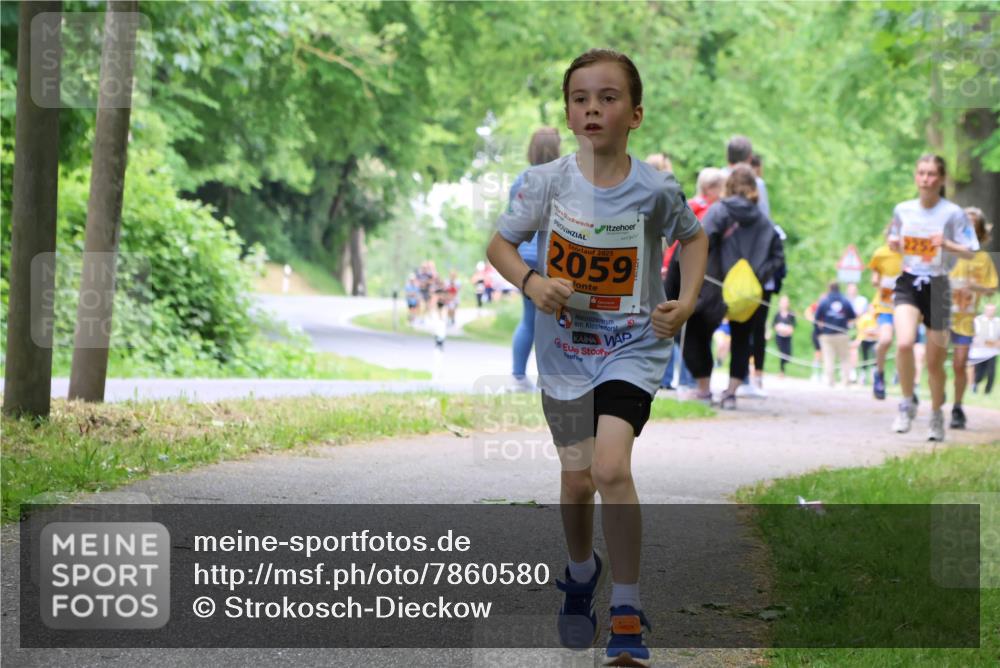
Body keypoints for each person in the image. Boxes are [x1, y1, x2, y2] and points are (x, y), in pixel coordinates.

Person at [486, 48, 708, 667]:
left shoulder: (656, 189)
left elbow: (694, 241)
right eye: (580, 99)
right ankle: (581, 571)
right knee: (578, 479)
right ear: (567, 111)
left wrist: (686, 301)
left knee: (611, 468)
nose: (592, 108)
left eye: (608, 98)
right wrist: (533, 284)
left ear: (634, 114)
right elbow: (500, 246)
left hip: (633, 346)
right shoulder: (545, 183)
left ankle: (628, 611)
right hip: (564, 353)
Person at [888, 154, 977, 441]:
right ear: (915, 177)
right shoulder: (903, 209)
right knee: (903, 343)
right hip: (909, 280)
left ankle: (937, 414)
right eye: (921, 173)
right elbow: (894, 240)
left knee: (934, 361)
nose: (925, 179)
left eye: (931, 174)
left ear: (941, 179)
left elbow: (971, 250)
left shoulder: (952, 213)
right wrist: (893, 243)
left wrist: (947, 243)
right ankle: (907, 402)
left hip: (938, 285)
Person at [701, 165, 784, 409]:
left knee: (702, 332)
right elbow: (778, 256)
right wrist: (757, 276)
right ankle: (731, 393)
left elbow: (701, 242)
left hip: (716, 285)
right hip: (748, 292)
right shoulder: (764, 221)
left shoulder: (718, 211)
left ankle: (702, 386)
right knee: (742, 337)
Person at [661, 167, 723, 392]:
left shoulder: (700, 206)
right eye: (720, 188)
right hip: (685, 267)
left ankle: (677, 378)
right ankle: (683, 378)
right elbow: (686, 239)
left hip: (685, 267)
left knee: (680, 320)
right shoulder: (703, 209)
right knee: (685, 322)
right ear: (710, 188)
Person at [510, 128, 563, 391]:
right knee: (555, 320)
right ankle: (551, 378)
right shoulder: (562, 180)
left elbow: (511, 223)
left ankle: (518, 376)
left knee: (529, 318)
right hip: (550, 256)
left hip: (522, 259)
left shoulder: (520, 180)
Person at [948, 207, 997, 428]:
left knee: (960, 364)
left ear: (979, 230)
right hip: (941, 315)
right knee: (934, 361)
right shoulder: (947, 252)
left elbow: (993, 287)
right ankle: (933, 404)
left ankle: (957, 407)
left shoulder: (983, 258)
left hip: (965, 319)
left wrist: (974, 286)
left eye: (973, 223)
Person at [867, 232, 903, 399]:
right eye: (891, 239)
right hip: (885, 304)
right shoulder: (880, 253)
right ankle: (879, 374)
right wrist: (876, 280)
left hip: (904, 305)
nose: (893, 242)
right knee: (886, 340)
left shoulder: (910, 255)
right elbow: (875, 272)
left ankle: (903, 378)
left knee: (904, 344)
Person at [815, 281, 857, 386]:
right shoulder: (845, 301)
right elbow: (852, 316)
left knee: (828, 358)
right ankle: (845, 381)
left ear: (829, 288)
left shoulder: (824, 301)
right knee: (845, 358)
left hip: (827, 334)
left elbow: (817, 317)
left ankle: (830, 381)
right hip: (842, 333)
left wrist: (819, 332)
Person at [972, 303, 999, 394]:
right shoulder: (978, 320)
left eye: (992, 310)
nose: (990, 312)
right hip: (980, 351)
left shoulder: (998, 321)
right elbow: (975, 336)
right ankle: (975, 384)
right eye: (988, 310)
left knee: (991, 372)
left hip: (992, 351)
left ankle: (988, 391)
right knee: (979, 372)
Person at [771, 295, 795, 377]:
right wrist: (779, 328)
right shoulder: (777, 314)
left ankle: (783, 367)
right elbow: (774, 325)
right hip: (779, 336)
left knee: (788, 353)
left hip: (787, 337)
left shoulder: (791, 314)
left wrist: (788, 330)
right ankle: (781, 371)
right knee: (782, 353)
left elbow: (793, 326)